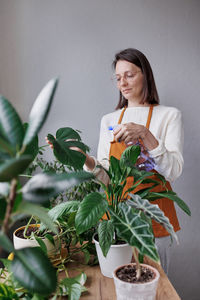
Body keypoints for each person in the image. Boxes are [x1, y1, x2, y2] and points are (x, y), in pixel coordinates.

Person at [82, 48, 184, 274]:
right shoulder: (109, 120)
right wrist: (86, 160)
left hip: (155, 221)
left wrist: (145, 134)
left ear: (145, 74)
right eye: (118, 78)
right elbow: (108, 177)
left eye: (129, 75)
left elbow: (173, 172)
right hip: (117, 220)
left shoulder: (169, 116)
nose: (123, 83)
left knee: (155, 289)